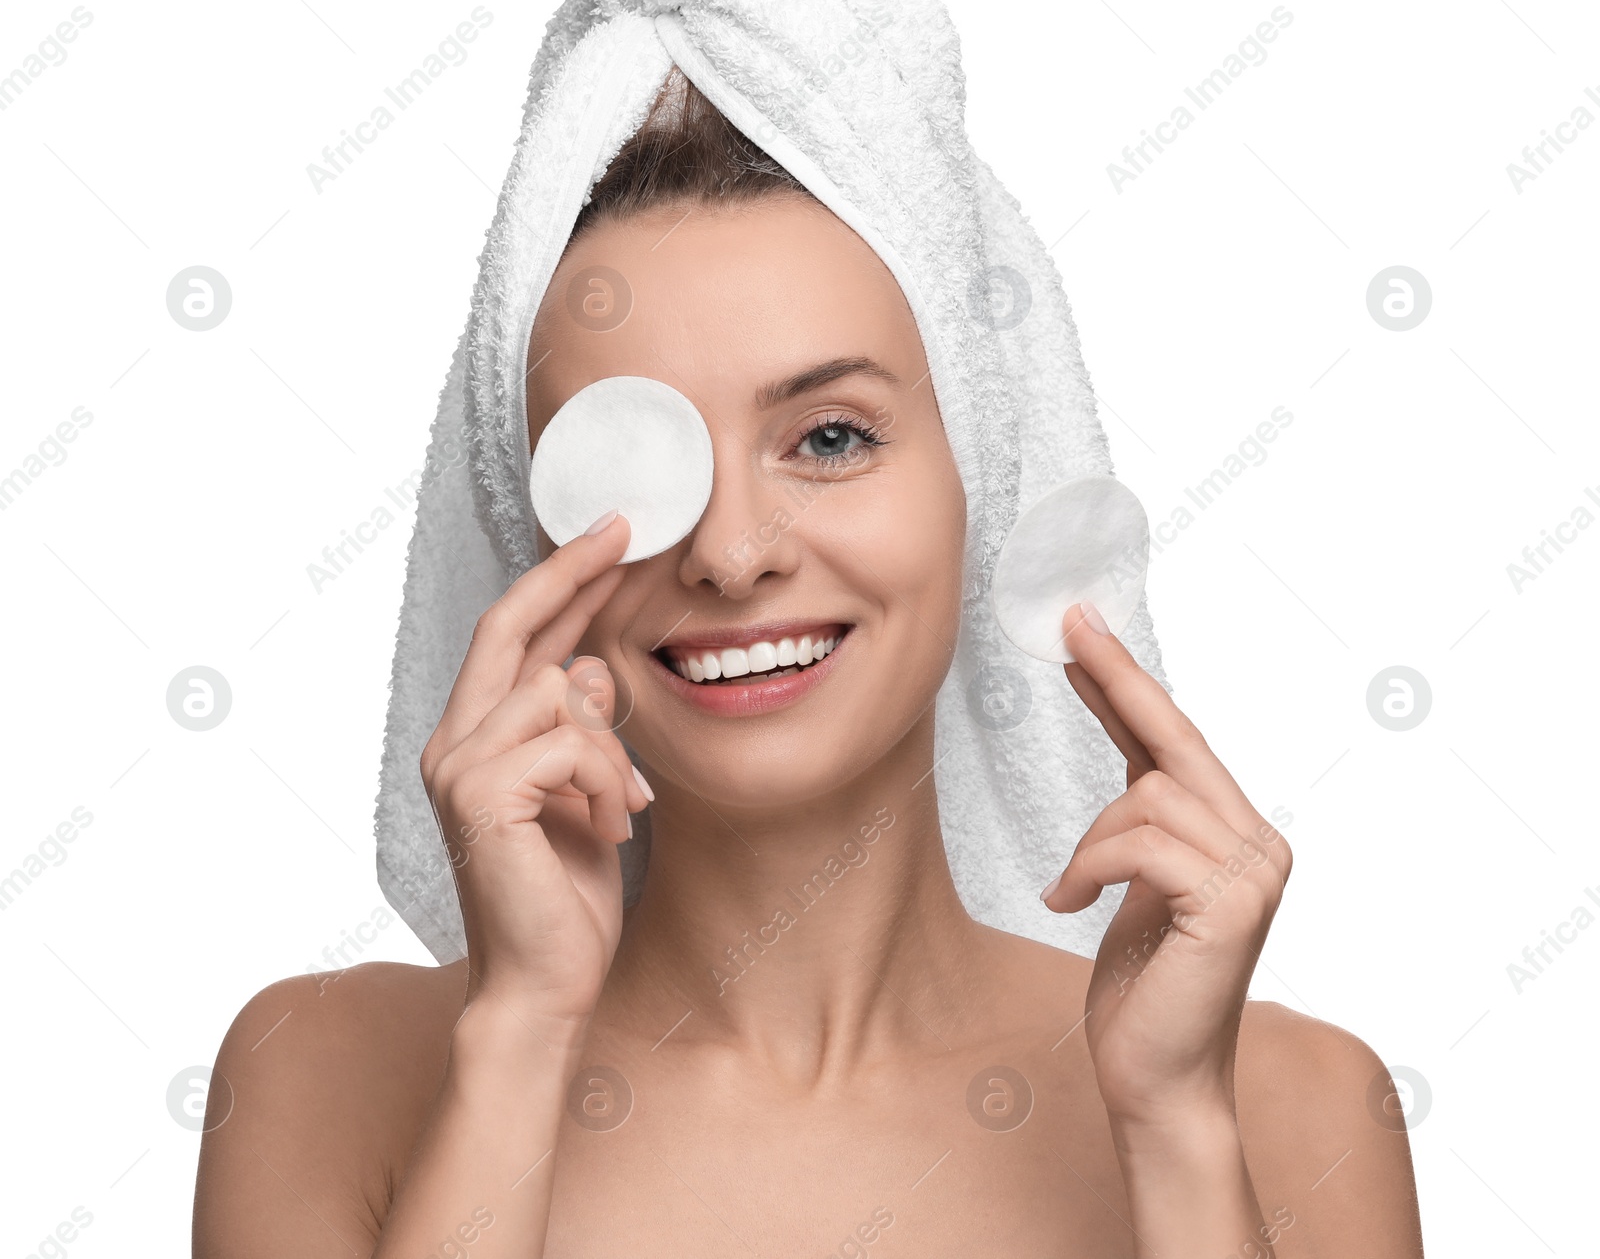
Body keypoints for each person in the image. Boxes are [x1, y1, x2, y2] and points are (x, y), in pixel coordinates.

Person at [193, 67, 1424, 1256]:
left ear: (977, 482)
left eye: (829, 437)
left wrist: (1175, 1135)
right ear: (535, 542)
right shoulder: (325, 1077)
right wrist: (517, 1036)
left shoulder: (1293, 1109)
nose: (732, 554)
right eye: (635, 466)